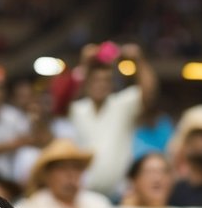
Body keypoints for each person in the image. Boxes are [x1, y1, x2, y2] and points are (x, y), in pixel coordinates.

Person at [68, 42, 159, 199]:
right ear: (88, 83)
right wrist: (84, 62)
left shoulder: (122, 104)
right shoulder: (77, 109)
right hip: (84, 193)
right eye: (96, 80)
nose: (101, 84)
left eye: (106, 80)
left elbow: (149, 91)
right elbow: (64, 95)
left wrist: (139, 59)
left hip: (119, 193)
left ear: (112, 85)